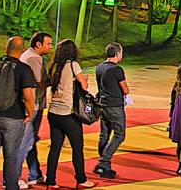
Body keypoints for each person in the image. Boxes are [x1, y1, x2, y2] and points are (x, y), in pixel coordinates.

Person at [43, 39, 96, 188]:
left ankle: (51, 180)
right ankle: (81, 179)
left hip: (53, 112)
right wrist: (85, 80)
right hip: (68, 113)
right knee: (77, 148)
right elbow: (84, 87)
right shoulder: (74, 65)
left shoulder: (54, 66)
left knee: (55, 148)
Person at [0, 36, 35, 190]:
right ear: (22, 50)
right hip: (14, 119)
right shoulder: (23, 69)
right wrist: (30, 114)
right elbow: (28, 96)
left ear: (5, 49)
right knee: (11, 158)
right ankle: (10, 186)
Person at [15, 32, 51, 188]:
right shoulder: (34, 59)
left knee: (30, 141)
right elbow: (37, 81)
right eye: (48, 43)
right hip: (32, 106)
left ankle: (34, 174)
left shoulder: (27, 55)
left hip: (32, 105)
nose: (50, 46)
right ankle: (11, 178)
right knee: (25, 143)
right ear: (38, 44)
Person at [94, 42, 129, 179]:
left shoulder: (99, 67)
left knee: (104, 134)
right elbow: (125, 89)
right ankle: (103, 162)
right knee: (119, 135)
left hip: (103, 104)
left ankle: (105, 165)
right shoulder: (117, 70)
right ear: (117, 53)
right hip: (115, 106)